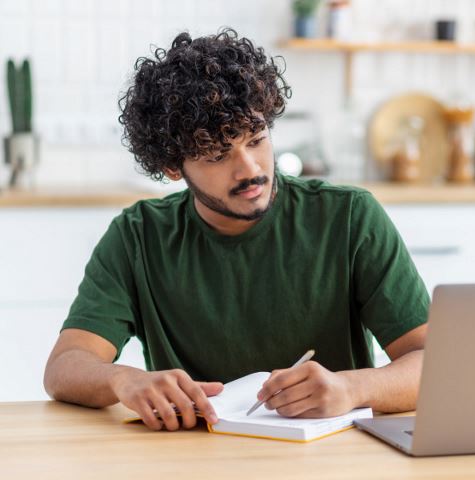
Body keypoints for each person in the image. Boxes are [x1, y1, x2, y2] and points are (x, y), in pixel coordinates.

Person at [43, 28, 430, 432]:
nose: (250, 169)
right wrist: (124, 379)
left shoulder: (349, 217)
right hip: (193, 460)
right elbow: (65, 367)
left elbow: (434, 363)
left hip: (332, 460)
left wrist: (353, 388)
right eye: (217, 155)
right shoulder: (137, 237)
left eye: (257, 139)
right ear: (173, 168)